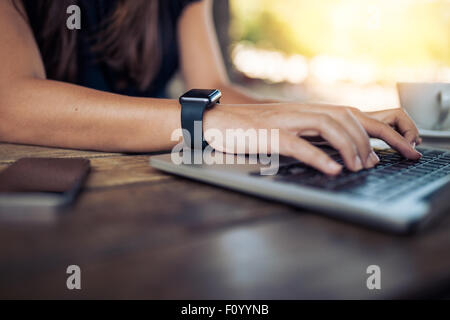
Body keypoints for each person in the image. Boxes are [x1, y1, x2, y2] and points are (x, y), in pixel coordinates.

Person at [0, 0, 422, 175]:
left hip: (154, 187)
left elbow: (214, 85)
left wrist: (325, 114)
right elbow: (11, 99)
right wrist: (205, 121)